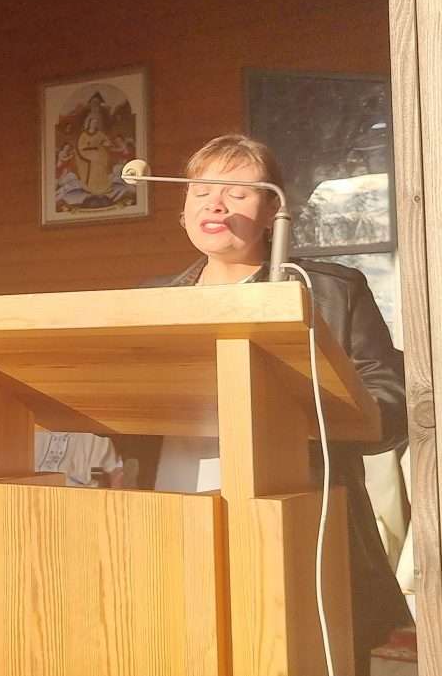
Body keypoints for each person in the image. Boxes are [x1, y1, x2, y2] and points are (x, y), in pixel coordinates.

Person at [144, 133, 412, 670]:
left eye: (238, 193)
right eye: (201, 192)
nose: (216, 205)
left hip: (300, 520)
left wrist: (297, 410)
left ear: (273, 211)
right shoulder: (151, 304)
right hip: (175, 517)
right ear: (183, 210)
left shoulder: (329, 290)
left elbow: (390, 397)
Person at [34, 429, 124, 488]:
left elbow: (116, 473)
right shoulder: (29, 424)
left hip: (75, 498)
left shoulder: (100, 441)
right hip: (29, 490)